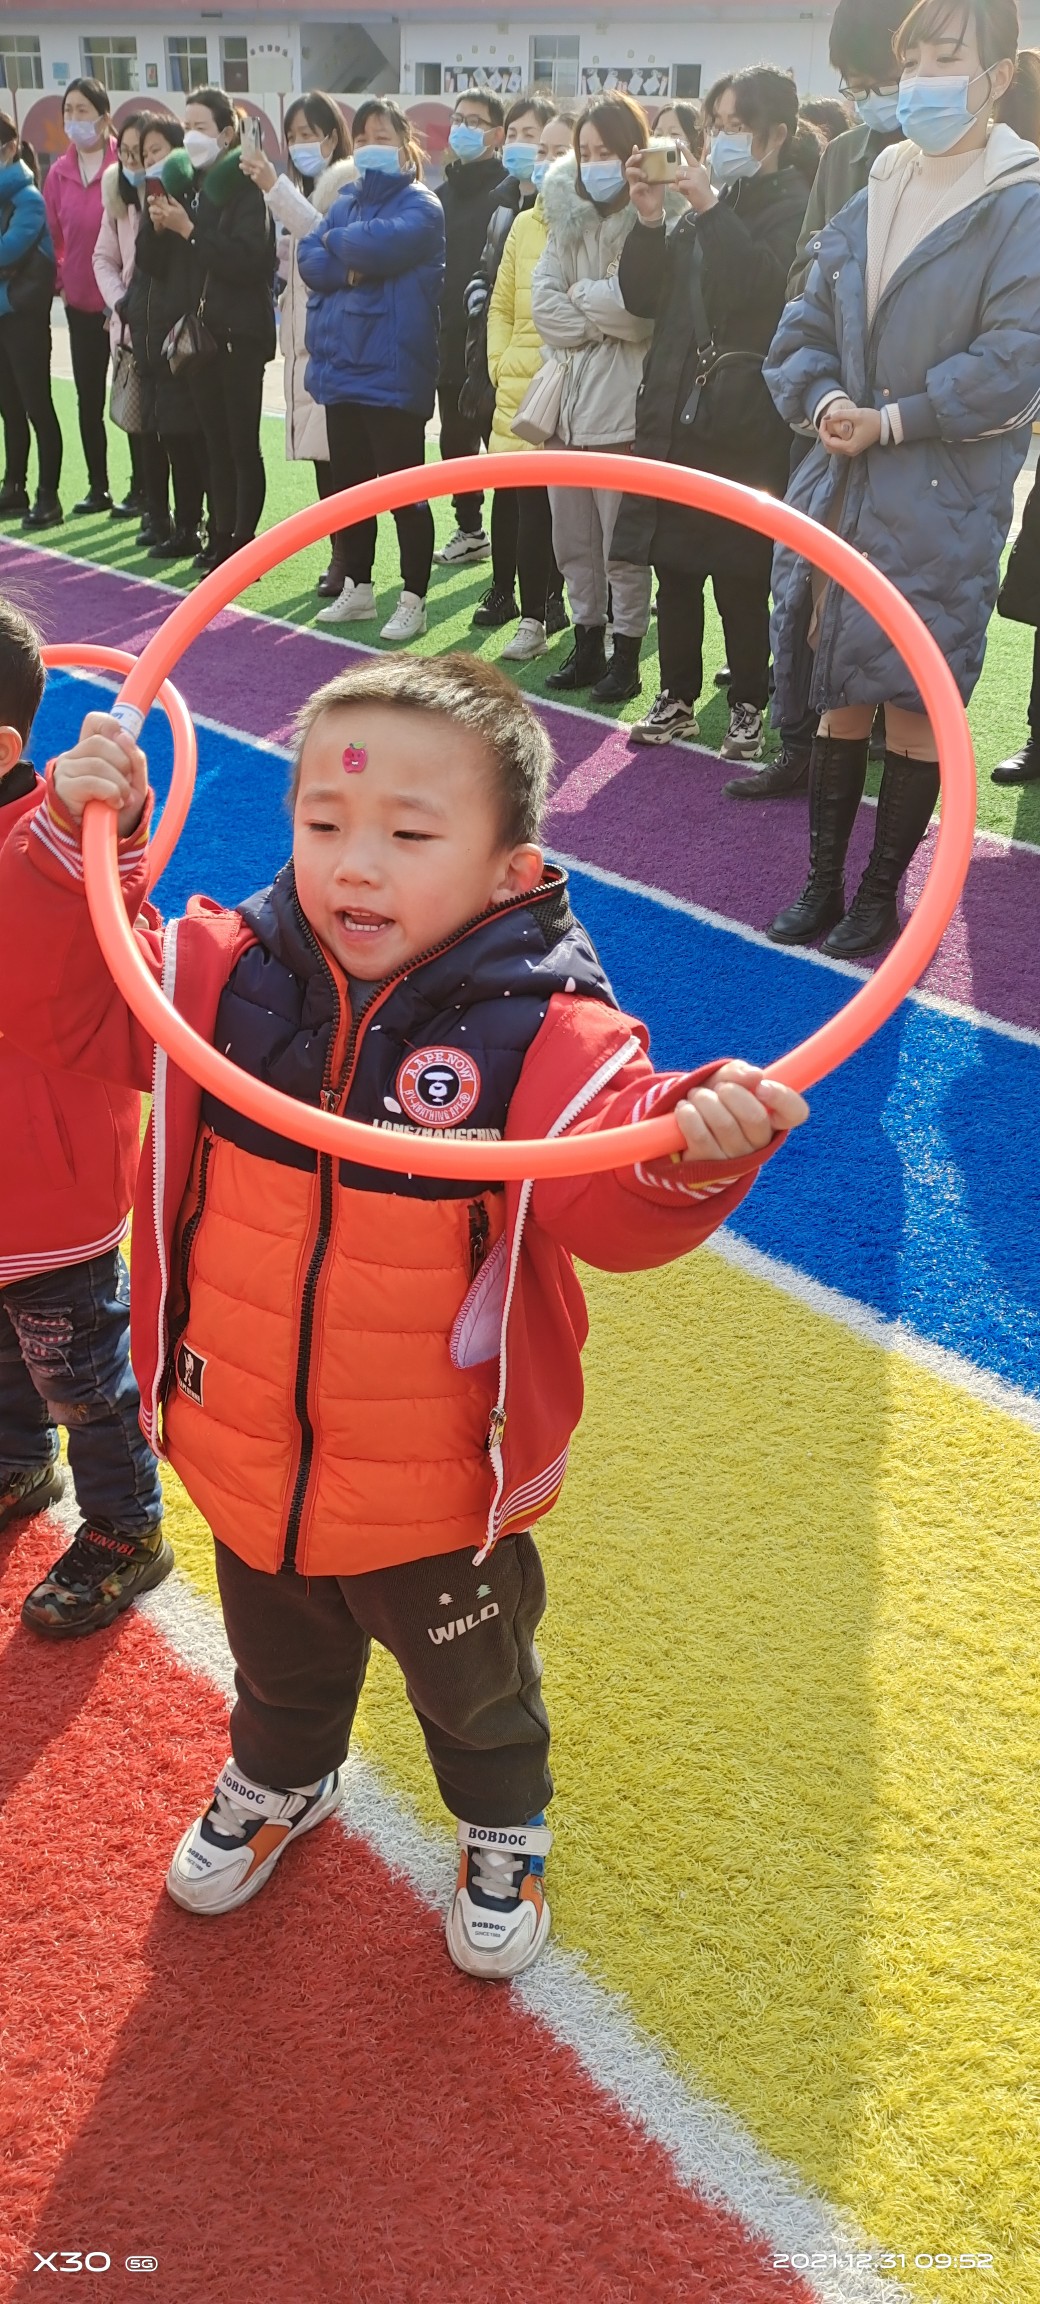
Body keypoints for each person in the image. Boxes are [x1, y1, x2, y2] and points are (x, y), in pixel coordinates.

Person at [0, 654, 807, 1969]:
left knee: (475, 1695)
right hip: (247, 1447)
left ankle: (502, 1824)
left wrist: (694, 1143)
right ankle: (281, 1777)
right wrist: (66, 844)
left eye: (409, 834)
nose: (355, 864)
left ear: (508, 869)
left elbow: (613, 1197)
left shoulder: (552, 1035)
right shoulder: (215, 976)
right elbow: (58, 999)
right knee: (280, 1667)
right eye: (325, 822)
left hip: (437, 1486)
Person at [764, 0, 1040, 957]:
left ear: (998, 75)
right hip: (843, 484)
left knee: (916, 699)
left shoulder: (1020, 199)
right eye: (911, 56)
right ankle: (822, 885)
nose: (921, 76)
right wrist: (825, 400)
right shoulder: (876, 181)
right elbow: (802, 320)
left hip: (942, 493)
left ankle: (880, 895)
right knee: (839, 685)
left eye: (945, 55)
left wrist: (893, 419)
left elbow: (1015, 361)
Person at [0, 596, 168, 1635]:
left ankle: (125, 1524)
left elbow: (69, 922)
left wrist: (90, 815)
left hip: (48, 1182)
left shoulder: (60, 842)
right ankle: (18, 1462)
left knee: (83, 1375)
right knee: (6, 1352)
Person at [730, 0, 910, 803]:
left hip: (911, 425)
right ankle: (797, 741)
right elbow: (805, 275)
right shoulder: (844, 155)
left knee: (892, 599)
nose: (873, 97)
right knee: (799, 580)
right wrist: (827, 381)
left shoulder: (997, 168)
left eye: (884, 78)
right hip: (831, 406)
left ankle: (882, 749)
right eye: (855, 83)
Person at [616, 68, 811, 762]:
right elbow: (644, 299)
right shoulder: (708, 207)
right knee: (673, 565)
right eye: (715, 126)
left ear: (776, 134)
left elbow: (761, 287)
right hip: (676, 412)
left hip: (742, 423)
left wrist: (705, 205)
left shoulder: (793, 204)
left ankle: (749, 703)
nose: (720, 139)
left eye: (736, 126)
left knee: (740, 571)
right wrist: (648, 217)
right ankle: (676, 695)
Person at [531, 92, 680, 701]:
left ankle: (627, 652)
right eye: (585, 151)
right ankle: (586, 640)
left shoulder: (656, 220)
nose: (594, 163)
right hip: (564, 410)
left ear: (633, 153)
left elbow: (639, 314)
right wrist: (599, 310)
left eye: (606, 151)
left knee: (623, 544)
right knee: (573, 541)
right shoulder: (563, 218)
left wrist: (582, 301)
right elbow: (543, 307)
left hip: (623, 407)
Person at [300, 98, 445, 645]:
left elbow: (375, 246)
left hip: (393, 372)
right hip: (342, 370)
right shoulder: (346, 201)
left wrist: (336, 242)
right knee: (350, 490)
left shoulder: (422, 206)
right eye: (361, 139)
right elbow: (309, 260)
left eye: (381, 137)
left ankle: (414, 598)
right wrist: (345, 260)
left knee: (406, 493)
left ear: (405, 144)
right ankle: (358, 587)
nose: (368, 148)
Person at [147, 86, 275, 572]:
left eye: (199, 127)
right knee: (212, 441)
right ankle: (219, 535)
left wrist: (191, 229)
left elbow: (250, 261)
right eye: (186, 127)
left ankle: (244, 541)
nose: (190, 137)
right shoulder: (184, 183)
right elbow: (154, 264)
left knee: (241, 443)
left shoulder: (245, 184)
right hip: (197, 335)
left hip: (239, 334)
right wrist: (159, 227)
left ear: (226, 134)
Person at [238, 91, 355, 600]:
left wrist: (274, 188)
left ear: (332, 136)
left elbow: (326, 235)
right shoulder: (297, 187)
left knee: (343, 460)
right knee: (322, 458)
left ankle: (350, 558)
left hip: (336, 339)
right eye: (293, 135)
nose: (301, 143)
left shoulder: (347, 183)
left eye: (310, 133)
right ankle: (340, 552)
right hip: (302, 338)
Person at [460, 93, 562, 633]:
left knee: (548, 504)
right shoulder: (509, 211)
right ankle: (505, 591)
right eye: (518, 137)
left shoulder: (572, 218)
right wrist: (498, 361)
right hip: (508, 375)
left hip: (555, 379)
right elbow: (495, 285)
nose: (528, 150)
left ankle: (547, 603)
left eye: (539, 140)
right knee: (508, 493)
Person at [481, 110, 575, 660]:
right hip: (521, 386)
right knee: (526, 507)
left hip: (576, 385)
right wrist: (500, 362)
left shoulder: (597, 223)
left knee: (573, 515)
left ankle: (578, 616)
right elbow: (499, 304)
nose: (548, 162)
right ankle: (532, 617)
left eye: (560, 151)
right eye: (543, 151)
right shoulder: (523, 224)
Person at [43, 78, 131, 517]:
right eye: (69, 111)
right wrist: (63, 282)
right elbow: (53, 237)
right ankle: (100, 487)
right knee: (88, 400)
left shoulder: (124, 167)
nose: (74, 119)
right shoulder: (58, 174)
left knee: (133, 397)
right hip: (79, 307)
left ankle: (143, 491)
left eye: (83, 110)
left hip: (124, 306)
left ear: (104, 116)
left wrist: (122, 299)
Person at [433, 87, 508, 569]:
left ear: (497, 135)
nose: (463, 128)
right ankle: (470, 529)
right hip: (450, 339)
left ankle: (512, 553)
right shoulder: (440, 195)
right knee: (455, 442)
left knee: (500, 447)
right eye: (458, 119)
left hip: (496, 342)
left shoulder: (509, 193)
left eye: (475, 122)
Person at [126, 118, 208, 561]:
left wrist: (179, 224)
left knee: (194, 439)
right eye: (144, 154)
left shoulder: (194, 197)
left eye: (156, 150)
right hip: (154, 338)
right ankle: (178, 522)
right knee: (169, 437)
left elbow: (200, 261)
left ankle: (200, 524)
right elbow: (146, 264)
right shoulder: (152, 204)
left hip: (186, 339)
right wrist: (156, 229)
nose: (149, 160)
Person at [93, 111, 157, 540]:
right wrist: (121, 301)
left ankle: (183, 516)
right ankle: (151, 503)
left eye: (143, 154)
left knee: (173, 429)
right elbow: (103, 257)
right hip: (130, 327)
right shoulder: (117, 197)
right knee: (137, 420)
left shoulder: (171, 194)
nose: (133, 163)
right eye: (128, 154)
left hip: (165, 327)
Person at [0, 116, 62, 532]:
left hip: (24, 318)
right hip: (4, 315)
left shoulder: (29, 198)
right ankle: (14, 485)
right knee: (8, 406)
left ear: (9, 148)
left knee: (37, 406)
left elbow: (8, 251)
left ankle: (48, 494)